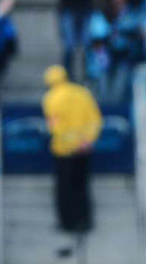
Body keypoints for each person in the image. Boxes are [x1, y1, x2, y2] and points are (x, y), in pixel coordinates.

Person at [42, 65, 102, 240]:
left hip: (63, 151)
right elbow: (95, 119)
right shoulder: (83, 93)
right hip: (84, 149)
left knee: (64, 188)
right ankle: (85, 221)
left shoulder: (51, 98)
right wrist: (87, 140)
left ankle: (67, 223)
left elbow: (55, 127)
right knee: (82, 186)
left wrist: (72, 143)